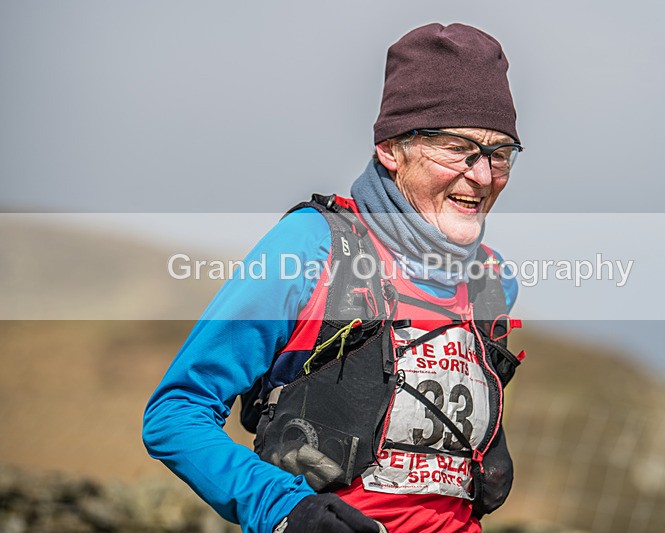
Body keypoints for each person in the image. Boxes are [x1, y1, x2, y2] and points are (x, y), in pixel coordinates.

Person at [143, 22, 525, 533]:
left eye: (499, 152)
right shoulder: (311, 247)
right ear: (392, 149)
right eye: (458, 147)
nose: (482, 175)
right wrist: (283, 509)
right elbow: (176, 413)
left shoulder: (492, 280)